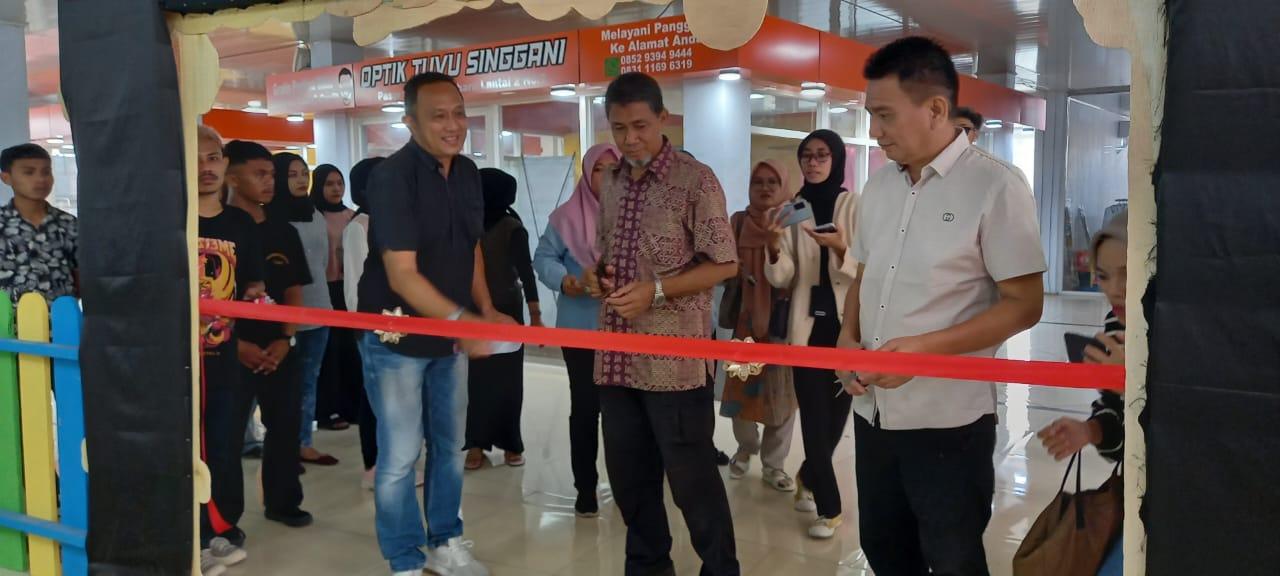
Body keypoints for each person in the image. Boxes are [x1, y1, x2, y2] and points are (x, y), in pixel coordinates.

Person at [837, 36, 1046, 576]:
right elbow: (863, 273)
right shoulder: (879, 187)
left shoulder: (995, 186)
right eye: (871, 115)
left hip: (948, 422)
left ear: (935, 108)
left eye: (885, 116)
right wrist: (846, 340)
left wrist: (924, 350)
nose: (875, 132)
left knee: (952, 557)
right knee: (885, 550)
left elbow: (1024, 305)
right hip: (873, 414)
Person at [584, 72, 740, 575]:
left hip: (675, 365)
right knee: (631, 483)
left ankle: (720, 569)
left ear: (663, 120)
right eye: (618, 128)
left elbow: (725, 263)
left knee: (693, 484)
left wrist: (654, 291)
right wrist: (597, 278)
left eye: (640, 126)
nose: (630, 139)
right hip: (615, 361)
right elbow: (612, 253)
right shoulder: (608, 181)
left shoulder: (695, 179)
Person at [359, 71, 513, 576]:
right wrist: (463, 322)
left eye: (459, 113)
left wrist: (485, 311)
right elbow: (402, 276)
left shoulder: (467, 173)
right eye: (438, 116)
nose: (453, 125)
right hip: (396, 335)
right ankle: (404, 560)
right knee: (401, 456)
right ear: (409, 121)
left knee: (449, 446)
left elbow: (469, 248)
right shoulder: (392, 177)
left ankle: (445, 541)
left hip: (450, 334)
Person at [762, 129, 860, 539]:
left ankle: (806, 474)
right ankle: (830, 507)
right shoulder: (793, 209)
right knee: (815, 419)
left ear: (836, 160)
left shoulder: (853, 205)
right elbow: (782, 276)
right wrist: (772, 246)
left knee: (836, 419)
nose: (814, 163)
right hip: (806, 326)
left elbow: (867, 269)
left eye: (822, 155)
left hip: (846, 326)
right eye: (807, 156)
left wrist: (840, 248)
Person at [224, 140, 313, 529]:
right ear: (232, 175)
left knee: (285, 425)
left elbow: (294, 289)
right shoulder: (213, 228)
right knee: (226, 435)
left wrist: (285, 338)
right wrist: (236, 343)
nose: (269, 182)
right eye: (259, 174)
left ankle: (283, 501)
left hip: (278, 346)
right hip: (227, 348)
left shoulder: (282, 231)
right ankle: (224, 516)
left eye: (271, 175)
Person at [1038, 210, 1127, 576]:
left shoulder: (1189, 328)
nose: (1114, 289)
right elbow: (1118, 418)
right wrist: (1090, 431)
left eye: (1128, 272)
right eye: (1104, 275)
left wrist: (1134, 381)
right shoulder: (1115, 323)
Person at [533, 143, 619, 517]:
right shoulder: (565, 216)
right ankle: (585, 487)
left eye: (613, 169)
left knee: (623, 411)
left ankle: (626, 482)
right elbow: (542, 258)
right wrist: (567, 281)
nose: (606, 176)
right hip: (581, 327)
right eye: (598, 169)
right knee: (586, 407)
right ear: (586, 174)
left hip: (625, 326)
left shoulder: (636, 214)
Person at [194, 126, 264, 576]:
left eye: (214, 157)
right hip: (180, 359)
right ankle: (195, 534)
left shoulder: (240, 223)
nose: (206, 168)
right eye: (196, 158)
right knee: (188, 446)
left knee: (224, 443)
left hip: (226, 355)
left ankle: (224, 526)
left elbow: (254, 286)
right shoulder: (172, 218)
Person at [720, 160, 799, 493]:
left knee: (782, 397)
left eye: (772, 181)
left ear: (783, 186)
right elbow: (718, 265)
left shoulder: (795, 223)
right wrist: (732, 268)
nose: (765, 188)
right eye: (757, 182)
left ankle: (775, 464)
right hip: (745, 325)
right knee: (741, 393)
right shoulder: (737, 222)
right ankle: (745, 447)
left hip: (784, 325)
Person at [463, 168, 542, 470]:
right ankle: (476, 444)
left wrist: (536, 317)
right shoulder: (468, 227)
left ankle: (511, 443)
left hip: (508, 313)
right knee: (478, 381)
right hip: (474, 313)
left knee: (509, 382)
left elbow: (526, 274)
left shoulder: (512, 227)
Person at [270, 153, 340, 467]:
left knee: (309, 380)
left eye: (303, 173)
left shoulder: (314, 213)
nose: (300, 180)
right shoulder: (271, 218)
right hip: (284, 312)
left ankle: (303, 442)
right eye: (292, 174)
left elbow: (323, 262)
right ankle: (280, 444)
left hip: (319, 306)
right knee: (282, 384)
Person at [343, 156, 387, 490]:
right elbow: (355, 288)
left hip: (399, 326)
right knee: (374, 397)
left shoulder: (392, 223)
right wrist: (373, 329)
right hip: (375, 329)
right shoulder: (359, 228)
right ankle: (373, 463)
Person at [312, 164, 360, 431]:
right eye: (329, 183)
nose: (335, 189)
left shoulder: (352, 216)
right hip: (323, 289)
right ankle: (327, 409)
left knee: (350, 351)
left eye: (339, 184)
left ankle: (351, 407)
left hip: (346, 289)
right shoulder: (313, 215)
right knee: (328, 352)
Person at [0, 143, 76, 303]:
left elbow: (81, 276)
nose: (40, 179)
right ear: (6, 178)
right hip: (8, 324)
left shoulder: (68, 223)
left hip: (60, 322)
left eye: (46, 172)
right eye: (29, 172)